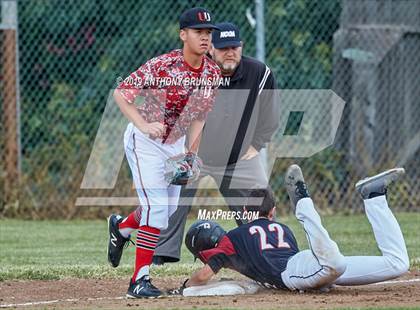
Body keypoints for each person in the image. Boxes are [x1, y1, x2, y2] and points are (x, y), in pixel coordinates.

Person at [106, 7, 221, 298]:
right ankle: (138, 281)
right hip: (144, 141)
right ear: (183, 34)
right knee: (157, 209)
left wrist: (190, 153)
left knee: (164, 212)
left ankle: (121, 229)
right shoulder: (164, 65)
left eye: (208, 33)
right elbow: (121, 93)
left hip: (174, 144)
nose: (205, 37)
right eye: (198, 32)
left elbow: (199, 118)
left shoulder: (212, 72)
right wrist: (144, 125)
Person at [153, 22, 280, 264]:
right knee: (170, 199)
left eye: (234, 47)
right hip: (193, 153)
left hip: (237, 158)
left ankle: (267, 253)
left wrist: (255, 146)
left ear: (241, 47)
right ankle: (161, 255)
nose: (230, 52)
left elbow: (270, 117)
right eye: (223, 48)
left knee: (260, 202)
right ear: (211, 49)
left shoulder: (259, 73)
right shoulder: (194, 71)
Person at [180, 165, 409, 294]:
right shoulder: (281, 229)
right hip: (308, 266)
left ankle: (302, 200)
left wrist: (185, 288)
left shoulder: (233, 240)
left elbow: (203, 276)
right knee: (398, 264)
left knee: (334, 262)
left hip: (298, 271)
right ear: (272, 212)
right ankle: (374, 197)